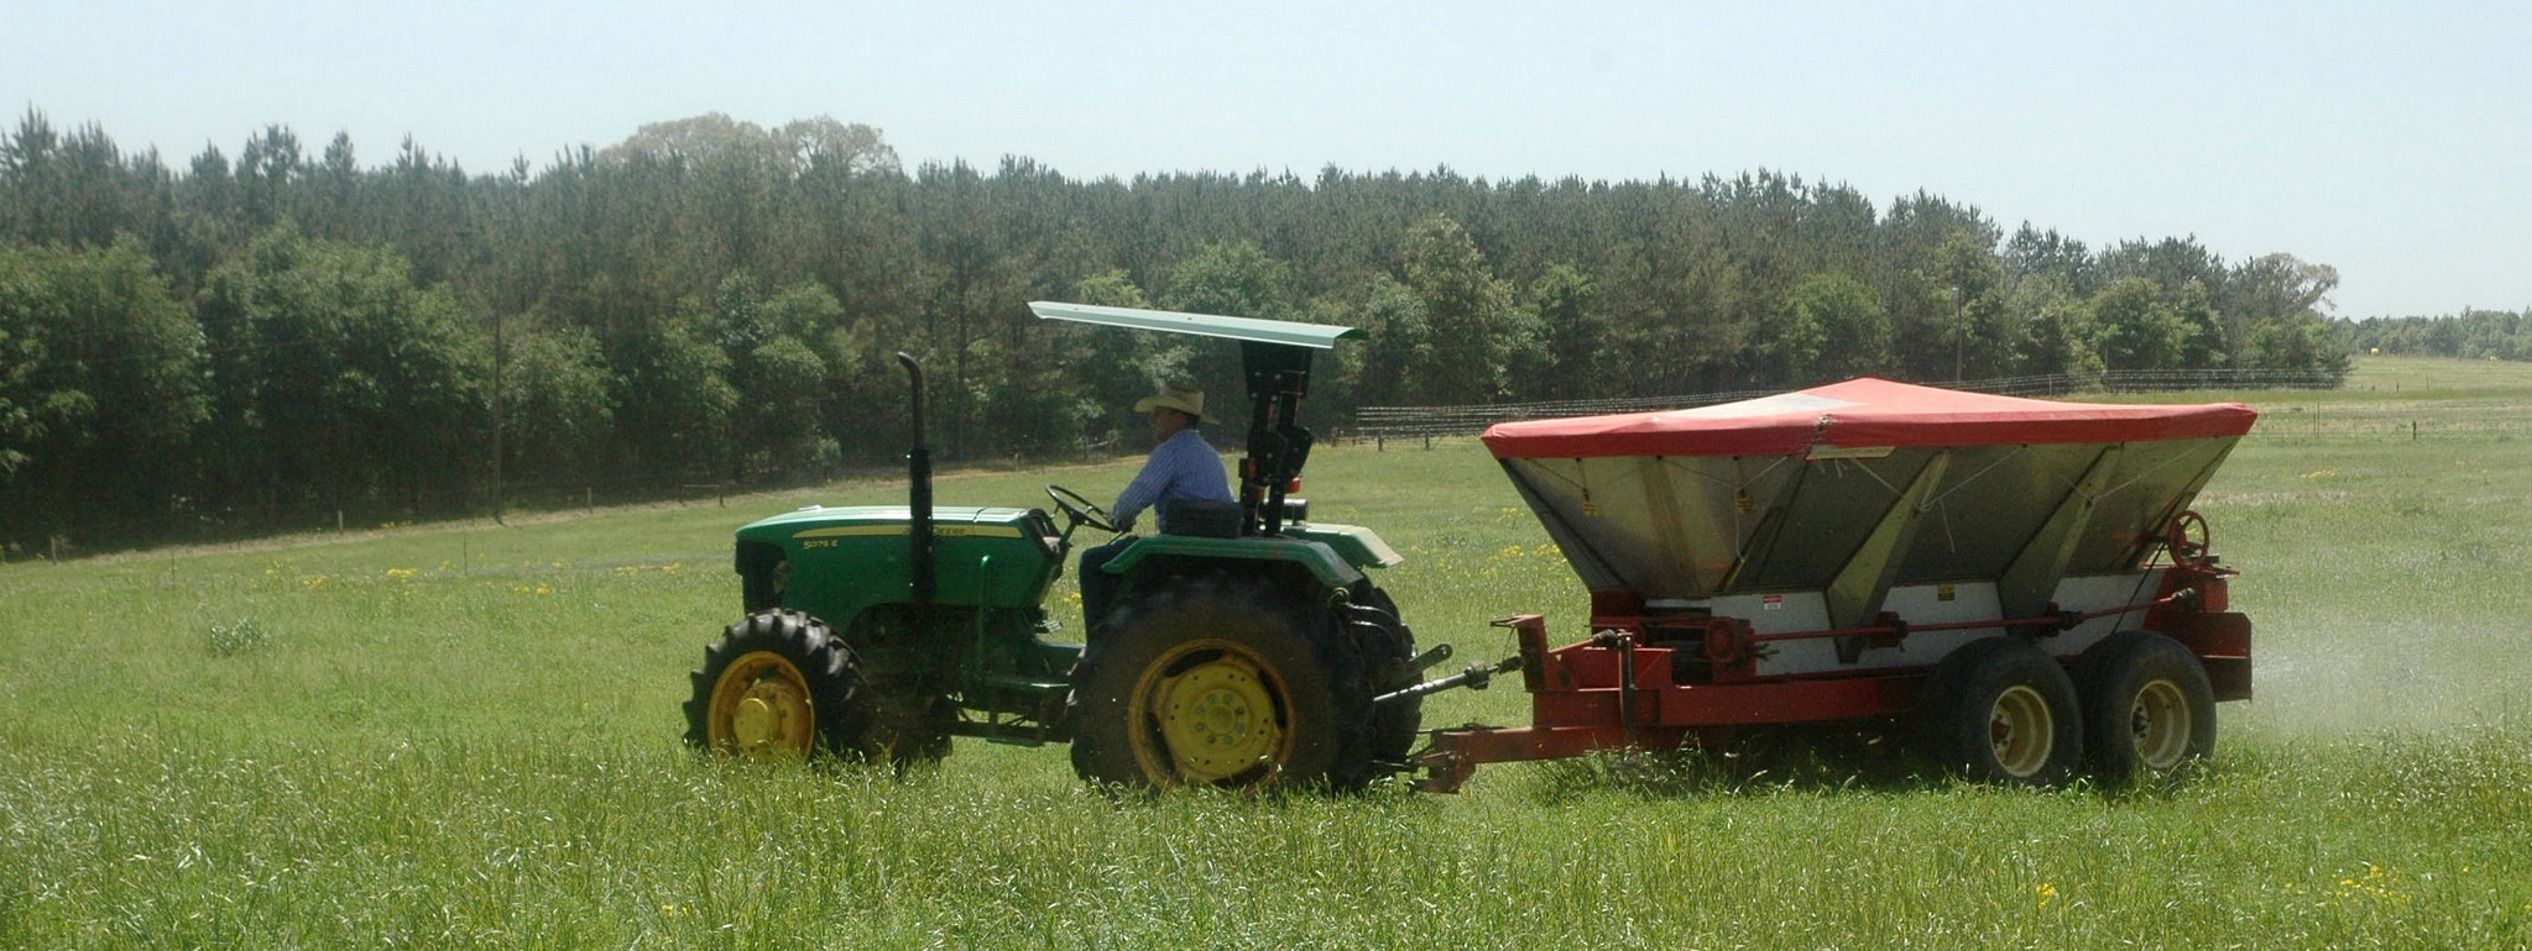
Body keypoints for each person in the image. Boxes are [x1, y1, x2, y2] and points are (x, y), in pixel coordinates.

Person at [1077, 382, 1233, 628]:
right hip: (1204, 544)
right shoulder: (1207, 452)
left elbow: (1134, 498)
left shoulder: (1171, 451)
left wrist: (1119, 519)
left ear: (1177, 417)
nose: (1153, 419)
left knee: (1093, 562)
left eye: (1159, 413)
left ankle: (1100, 646)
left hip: (1181, 548)